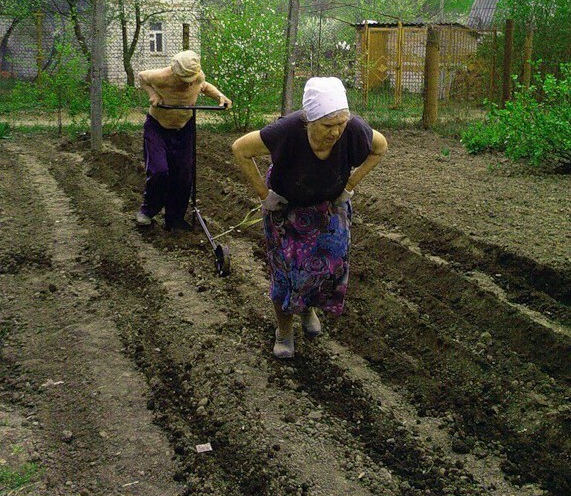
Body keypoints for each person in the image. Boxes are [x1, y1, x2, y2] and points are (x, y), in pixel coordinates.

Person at [232, 76, 387, 358]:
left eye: (341, 123)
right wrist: (264, 195)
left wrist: (350, 186)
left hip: (328, 207)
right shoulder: (287, 131)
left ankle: (309, 310)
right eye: (328, 126)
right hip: (287, 208)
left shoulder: (353, 129)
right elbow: (240, 149)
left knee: (327, 266)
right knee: (287, 273)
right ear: (309, 120)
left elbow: (381, 147)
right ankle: (284, 330)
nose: (336, 132)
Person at [136, 50, 232, 231]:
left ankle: (175, 218)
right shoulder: (161, 76)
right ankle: (148, 211)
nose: (188, 84)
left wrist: (220, 96)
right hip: (158, 127)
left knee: (183, 176)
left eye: (190, 79)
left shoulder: (197, 77)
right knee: (159, 171)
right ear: (175, 72)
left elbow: (204, 86)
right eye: (184, 79)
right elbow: (142, 77)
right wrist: (153, 95)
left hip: (184, 127)